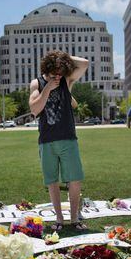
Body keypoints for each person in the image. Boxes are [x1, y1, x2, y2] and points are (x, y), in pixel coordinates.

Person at [29, 50, 88, 231]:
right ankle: (60, 220)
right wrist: (47, 88)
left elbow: (84, 63)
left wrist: (62, 58)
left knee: (75, 179)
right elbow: (34, 109)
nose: (58, 74)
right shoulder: (36, 83)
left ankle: (74, 219)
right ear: (47, 67)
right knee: (52, 181)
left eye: (61, 69)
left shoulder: (66, 80)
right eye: (55, 69)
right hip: (46, 140)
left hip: (68, 137)